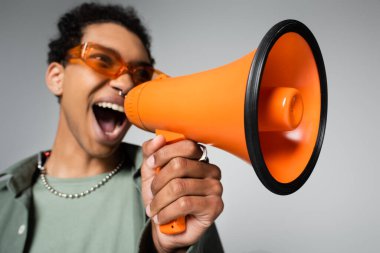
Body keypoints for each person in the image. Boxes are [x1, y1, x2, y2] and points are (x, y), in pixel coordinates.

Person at [0, 3, 224, 253]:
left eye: (140, 74)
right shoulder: (4, 197)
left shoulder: (171, 185)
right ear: (57, 78)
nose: (127, 84)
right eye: (102, 60)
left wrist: (169, 249)